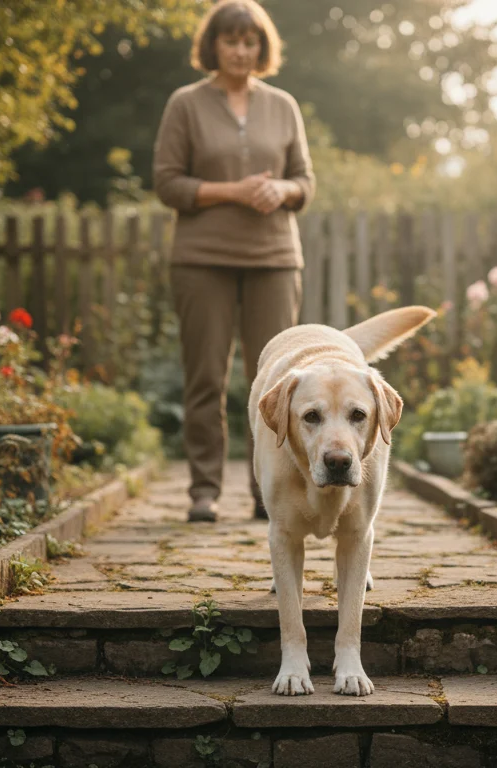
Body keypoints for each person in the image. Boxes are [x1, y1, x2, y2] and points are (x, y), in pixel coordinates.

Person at [153, 0, 315, 523]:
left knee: (275, 382)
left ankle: (267, 491)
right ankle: (204, 491)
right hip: (202, 258)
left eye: (251, 42)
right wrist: (233, 192)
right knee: (205, 376)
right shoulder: (185, 103)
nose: (241, 51)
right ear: (213, 46)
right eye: (231, 40)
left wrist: (283, 188)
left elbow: (306, 182)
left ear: (262, 48)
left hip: (274, 258)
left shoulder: (283, 104)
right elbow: (167, 183)